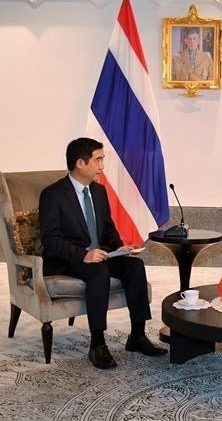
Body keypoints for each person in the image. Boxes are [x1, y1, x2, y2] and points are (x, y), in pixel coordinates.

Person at [39, 137, 167, 369]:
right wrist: (83, 255)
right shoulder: (53, 194)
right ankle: (97, 344)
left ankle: (137, 336)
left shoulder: (98, 191)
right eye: (98, 160)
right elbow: (50, 240)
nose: (102, 166)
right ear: (80, 163)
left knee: (135, 267)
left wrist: (119, 248)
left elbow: (107, 227)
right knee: (99, 272)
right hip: (69, 259)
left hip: (102, 254)